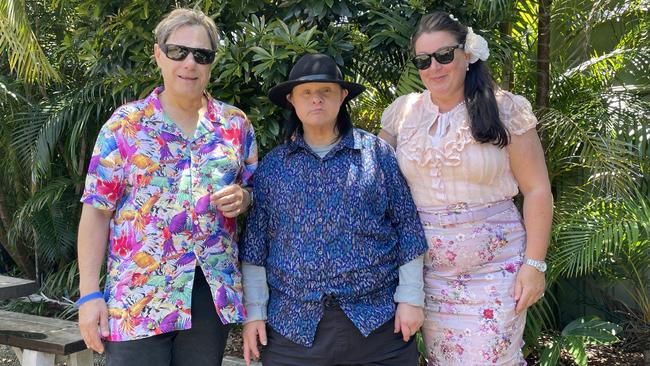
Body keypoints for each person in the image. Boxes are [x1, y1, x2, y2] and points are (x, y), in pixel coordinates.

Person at [76, 8, 257, 366]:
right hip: (138, 297)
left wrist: (244, 198)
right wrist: (88, 295)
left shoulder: (235, 125)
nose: (190, 63)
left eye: (201, 55)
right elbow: (96, 212)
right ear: (159, 54)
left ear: (211, 64)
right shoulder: (125, 126)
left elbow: (253, 190)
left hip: (209, 296)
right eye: (179, 51)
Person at [378, 12, 553, 365]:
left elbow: (537, 189)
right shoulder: (403, 114)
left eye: (444, 55)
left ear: (467, 54)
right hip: (429, 275)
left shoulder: (505, 109)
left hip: (496, 269)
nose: (434, 68)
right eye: (423, 60)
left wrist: (534, 265)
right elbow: (370, 173)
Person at [239, 53, 429, 366]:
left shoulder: (377, 155)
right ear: (292, 100)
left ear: (342, 96)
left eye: (326, 91)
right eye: (307, 93)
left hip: (378, 326)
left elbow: (407, 226)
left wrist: (411, 298)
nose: (317, 100)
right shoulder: (274, 166)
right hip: (292, 331)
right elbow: (255, 247)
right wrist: (254, 314)